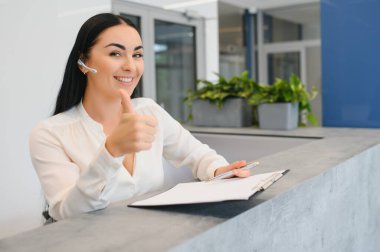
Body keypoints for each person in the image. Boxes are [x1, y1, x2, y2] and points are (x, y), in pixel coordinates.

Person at [29, 13, 250, 221]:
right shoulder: (50, 133)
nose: (130, 66)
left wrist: (219, 171)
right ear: (83, 62)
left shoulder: (148, 111)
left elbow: (198, 156)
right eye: (115, 53)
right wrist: (111, 151)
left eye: (137, 55)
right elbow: (67, 213)